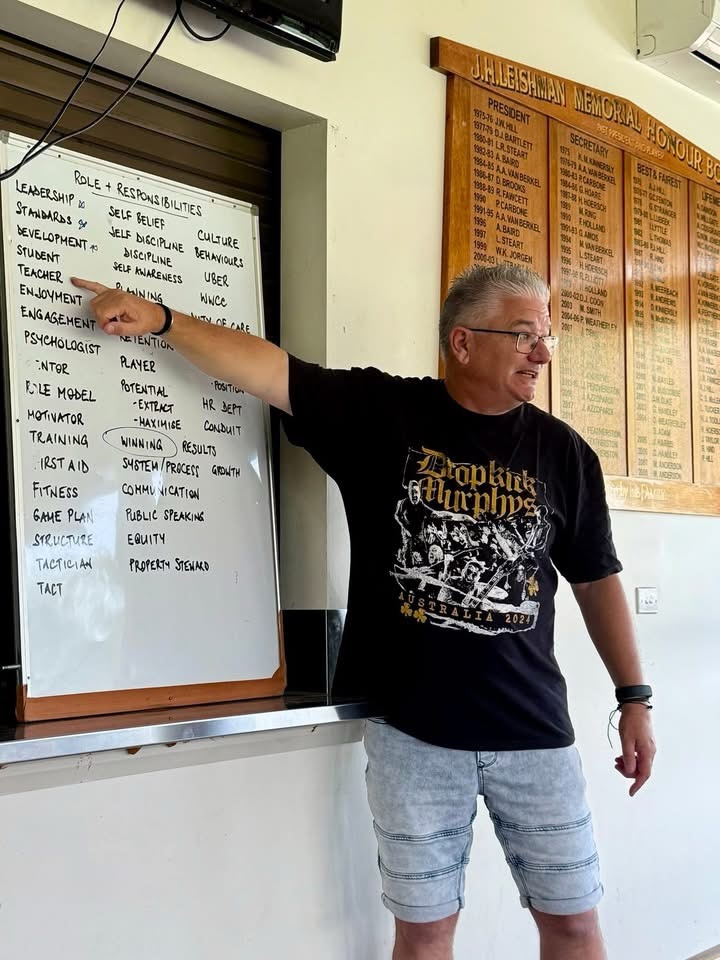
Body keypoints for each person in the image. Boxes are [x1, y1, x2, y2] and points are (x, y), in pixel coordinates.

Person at [71, 264, 656, 960]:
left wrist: (634, 697)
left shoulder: (564, 453)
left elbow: (596, 581)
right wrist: (163, 320)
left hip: (535, 733)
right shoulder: (384, 414)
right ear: (463, 342)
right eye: (525, 335)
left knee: (575, 923)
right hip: (412, 734)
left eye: (546, 337)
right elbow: (267, 370)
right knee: (425, 933)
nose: (542, 353)